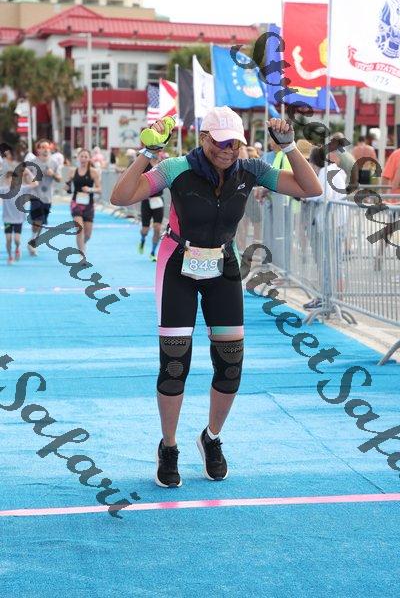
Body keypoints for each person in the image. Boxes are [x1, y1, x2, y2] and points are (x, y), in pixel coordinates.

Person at [110, 106, 321, 488]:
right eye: (220, 143)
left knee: (230, 364)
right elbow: (121, 196)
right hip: (177, 265)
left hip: (223, 267)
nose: (228, 150)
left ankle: (211, 438)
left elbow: (311, 189)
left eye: (234, 143)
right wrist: (147, 153)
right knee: (175, 364)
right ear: (204, 139)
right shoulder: (176, 168)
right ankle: (169, 446)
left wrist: (289, 147)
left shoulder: (251, 170)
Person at [303, 146, 347, 309]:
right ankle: (333, 299)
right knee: (333, 262)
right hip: (336, 222)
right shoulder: (335, 170)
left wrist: (306, 197)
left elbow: (322, 195)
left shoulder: (325, 172)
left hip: (331, 223)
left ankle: (328, 298)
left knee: (328, 262)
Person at [26, 139, 62, 256]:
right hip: (35, 195)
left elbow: (59, 178)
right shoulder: (32, 162)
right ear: (38, 150)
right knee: (38, 219)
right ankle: (33, 240)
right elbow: (24, 175)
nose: (46, 150)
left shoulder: (54, 162)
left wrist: (53, 174)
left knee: (41, 222)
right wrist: (30, 180)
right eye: (43, 147)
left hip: (48, 197)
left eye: (47, 147)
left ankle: (33, 241)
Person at [65, 148, 101, 257]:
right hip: (76, 203)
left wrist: (90, 189)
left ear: (89, 159)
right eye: (82, 156)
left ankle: (83, 244)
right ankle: (81, 253)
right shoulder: (72, 171)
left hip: (89, 205)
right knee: (79, 229)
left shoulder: (93, 172)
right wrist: (67, 187)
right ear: (78, 158)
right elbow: (67, 186)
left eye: (86, 157)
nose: (83, 159)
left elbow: (99, 189)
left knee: (88, 234)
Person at [1, 170, 39, 264]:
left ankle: (17, 248)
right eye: (10, 179)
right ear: (7, 180)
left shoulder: (22, 189)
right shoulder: (3, 190)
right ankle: (10, 257)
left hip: (18, 219)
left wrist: (29, 172)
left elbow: (35, 184)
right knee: (8, 240)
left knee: (17, 240)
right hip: (7, 219)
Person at [138, 153, 164, 262]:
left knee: (157, 228)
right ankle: (143, 239)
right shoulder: (145, 165)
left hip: (158, 201)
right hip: (146, 200)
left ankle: (153, 252)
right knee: (145, 229)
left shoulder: (162, 165)